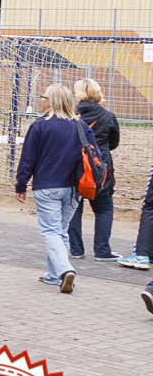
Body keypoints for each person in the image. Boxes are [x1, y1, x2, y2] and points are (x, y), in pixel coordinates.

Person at [16, 84, 97, 294]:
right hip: (73, 189)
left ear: (51, 101)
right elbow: (95, 156)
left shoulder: (40, 126)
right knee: (61, 230)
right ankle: (53, 275)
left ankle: (64, 270)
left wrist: (21, 184)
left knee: (50, 231)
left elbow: (28, 159)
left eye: (43, 97)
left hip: (47, 185)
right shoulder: (81, 127)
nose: (41, 100)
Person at [66, 79, 118, 261]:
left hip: (75, 168)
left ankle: (76, 250)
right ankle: (102, 251)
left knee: (74, 209)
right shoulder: (108, 116)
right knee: (104, 209)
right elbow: (114, 143)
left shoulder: (70, 115)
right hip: (99, 168)